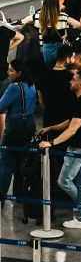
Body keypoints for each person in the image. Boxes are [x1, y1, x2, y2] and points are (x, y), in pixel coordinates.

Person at [38, 70, 81, 228]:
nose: (71, 81)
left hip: (78, 148)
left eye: (74, 79)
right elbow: (70, 122)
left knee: (63, 181)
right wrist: (51, 128)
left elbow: (72, 129)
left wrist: (52, 143)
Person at [0, 64, 37, 200]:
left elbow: (1, 106)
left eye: (11, 70)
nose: (8, 73)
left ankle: (1, 193)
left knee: (6, 161)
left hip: (14, 128)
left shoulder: (14, 88)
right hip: (29, 127)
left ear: (19, 72)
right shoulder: (31, 85)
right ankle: (19, 194)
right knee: (22, 161)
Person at [37, 46, 75, 129]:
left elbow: (41, 102)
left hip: (49, 119)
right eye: (73, 57)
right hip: (66, 122)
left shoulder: (42, 77)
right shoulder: (72, 78)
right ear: (67, 59)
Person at [38, 0, 77, 66]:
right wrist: (67, 34)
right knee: (62, 70)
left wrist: (41, 47)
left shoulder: (40, 17)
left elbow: (40, 34)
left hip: (46, 49)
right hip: (60, 48)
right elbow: (78, 25)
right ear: (57, 5)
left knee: (51, 71)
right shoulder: (62, 16)